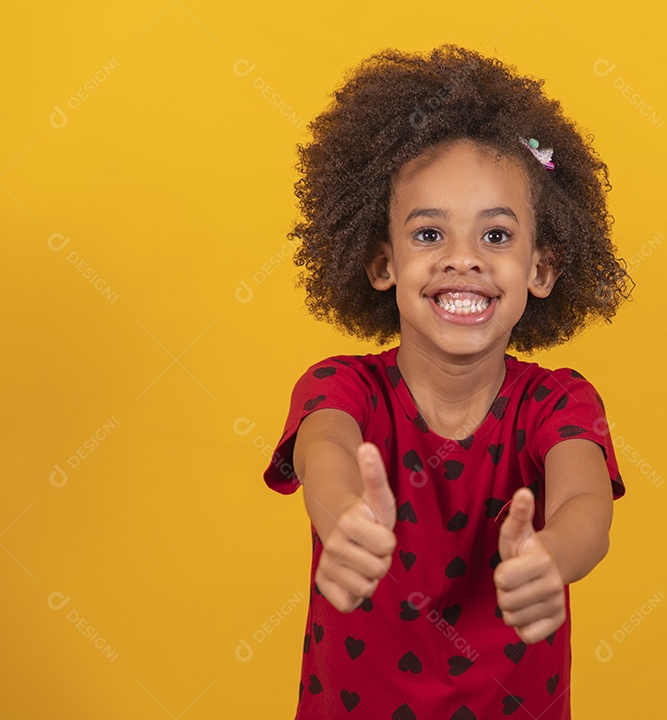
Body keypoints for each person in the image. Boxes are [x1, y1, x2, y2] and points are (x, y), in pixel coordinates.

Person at [262, 44, 633, 719]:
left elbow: (586, 502)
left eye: (496, 236)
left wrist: (552, 555)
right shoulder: (340, 388)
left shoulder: (558, 403)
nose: (463, 259)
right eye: (429, 234)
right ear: (383, 264)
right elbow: (325, 453)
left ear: (541, 270)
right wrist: (343, 519)